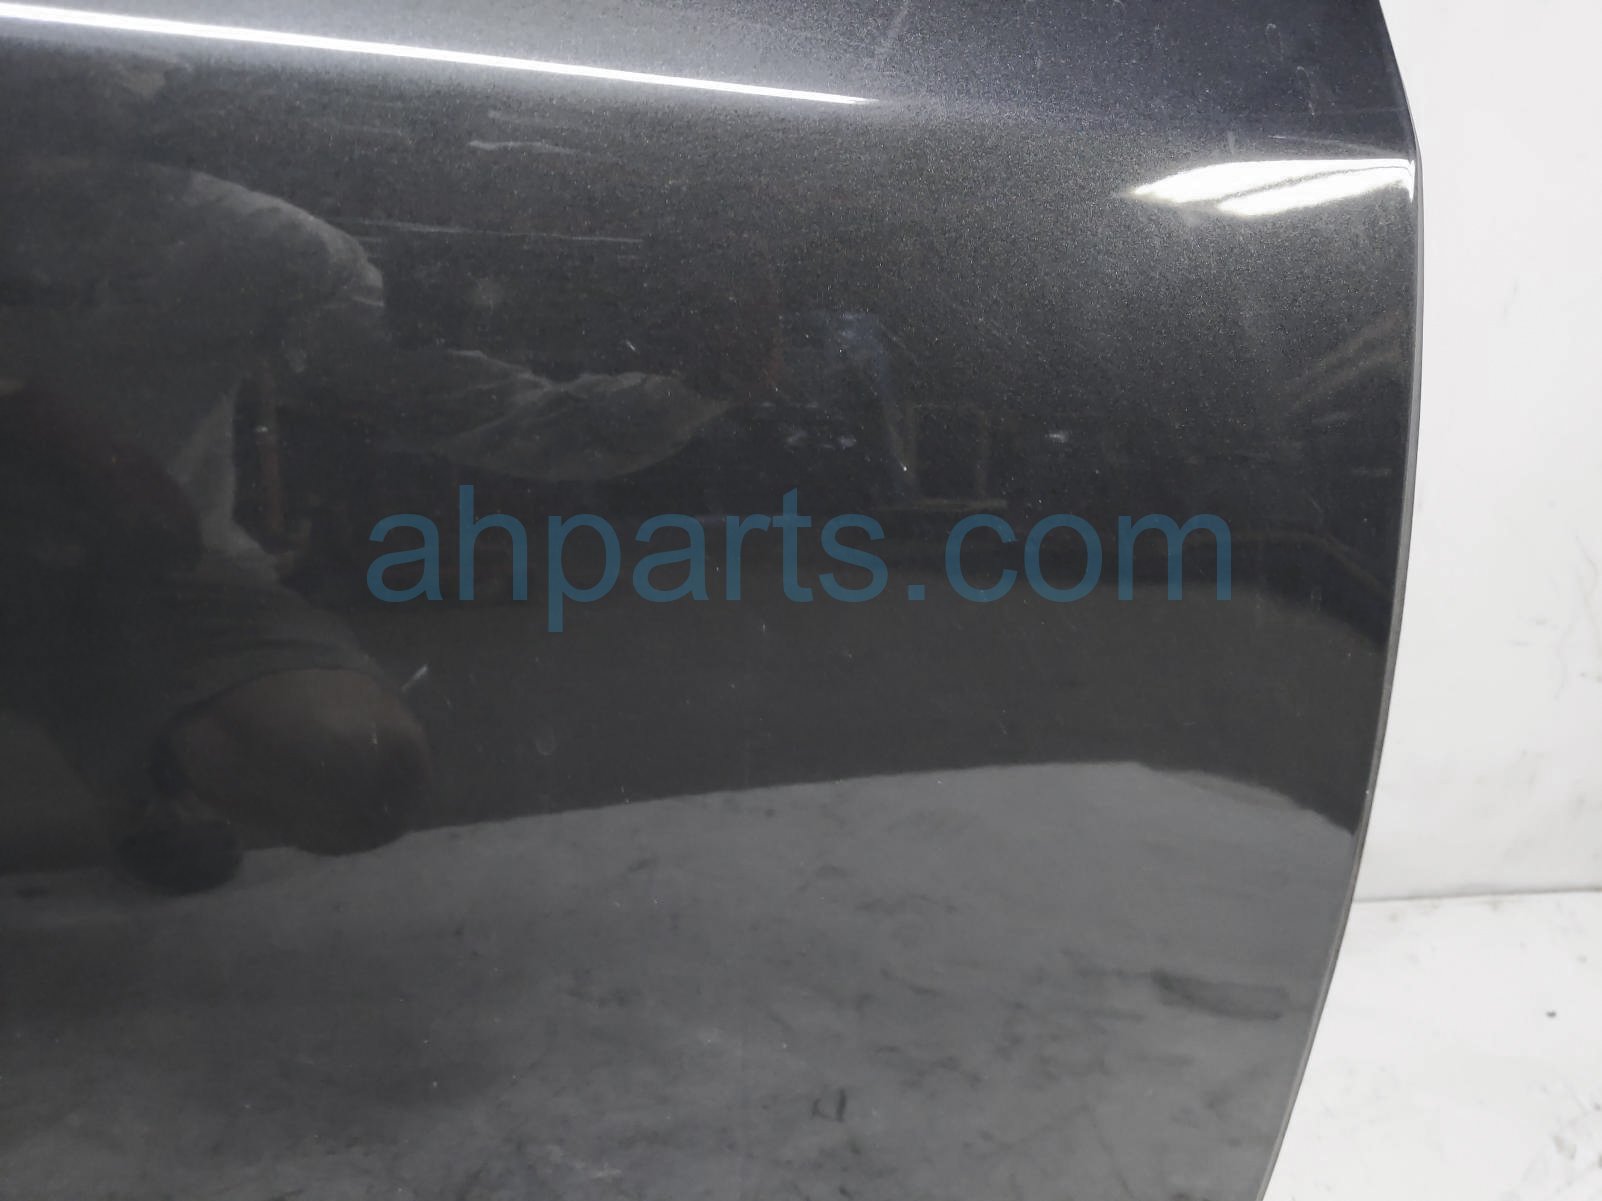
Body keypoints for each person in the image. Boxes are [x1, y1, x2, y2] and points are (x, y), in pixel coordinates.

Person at [0, 146, 733, 893]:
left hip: (162, 567)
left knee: (359, 771)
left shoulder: (248, 239)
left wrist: (694, 386)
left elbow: (462, 401)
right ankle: (125, 751)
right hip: (96, 546)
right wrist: (34, 419)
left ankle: (127, 763)